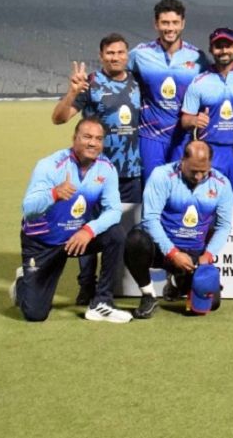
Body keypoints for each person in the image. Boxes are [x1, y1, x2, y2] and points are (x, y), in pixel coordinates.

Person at [49, 33, 141, 306]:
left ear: (127, 55)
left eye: (120, 52)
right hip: (95, 174)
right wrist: (72, 92)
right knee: (89, 228)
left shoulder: (137, 82)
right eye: (110, 53)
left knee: (127, 233)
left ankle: (118, 285)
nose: (115, 57)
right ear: (101, 56)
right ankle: (87, 286)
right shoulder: (90, 84)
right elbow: (59, 118)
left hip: (131, 173)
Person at [12, 118, 130, 323]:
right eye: (87, 137)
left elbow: (113, 211)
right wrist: (54, 194)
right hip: (43, 243)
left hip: (77, 238)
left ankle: (102, 303)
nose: (93, 143)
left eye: (98, 139)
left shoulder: (106, 168)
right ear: (74, 138)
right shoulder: (49, 165)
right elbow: (28, 209)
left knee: (116, 234)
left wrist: (89, 230)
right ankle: (24, 281)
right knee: (35, 314)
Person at [124, 140, 233, 318]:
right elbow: (150, 219)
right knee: (135, 240)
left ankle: (177, 282)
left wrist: (208, 255)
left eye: (203, 171)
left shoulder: (222, 184)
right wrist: (173, 253)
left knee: (210, 305)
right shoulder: (162, 176)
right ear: (182, 160)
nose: (198, 177)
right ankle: (148, 296)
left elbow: (224, 226)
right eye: (193, 171)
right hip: (161, 250)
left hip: (194, 253)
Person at [180, 28, 233, 204]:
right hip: (209, 152)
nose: (224, 50)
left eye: (228, 46)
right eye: (219, 46)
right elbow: (185, 120)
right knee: (206, 205)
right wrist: (194, 120)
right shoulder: (199, 82)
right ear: (211, 49)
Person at [128, 0, 209, 173]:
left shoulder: (198, 58)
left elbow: (211, 88)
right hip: (150, 137)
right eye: (165, 22)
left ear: (182, 24)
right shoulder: (140, 54)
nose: (170, 28)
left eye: (175, 22)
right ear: (156, 24)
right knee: (151, 187)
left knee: (180, 187)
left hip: (182, 138)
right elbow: (115, 73)